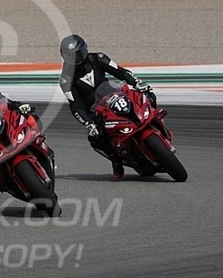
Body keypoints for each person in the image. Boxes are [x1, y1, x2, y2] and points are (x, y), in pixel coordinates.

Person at [58, 34, 153, 178]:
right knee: (96, 139)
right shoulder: (66, 79)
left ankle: (157, 122)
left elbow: (121, 72)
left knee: (146, 96)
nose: (76, 60)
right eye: (71, 57)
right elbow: (76, 106)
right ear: (65, 58)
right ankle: (116, 160)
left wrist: (137, 83)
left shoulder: (98, 58)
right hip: (96, 111)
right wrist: (89, 123)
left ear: (85, 50)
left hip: (114, 96)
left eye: (78, 54)